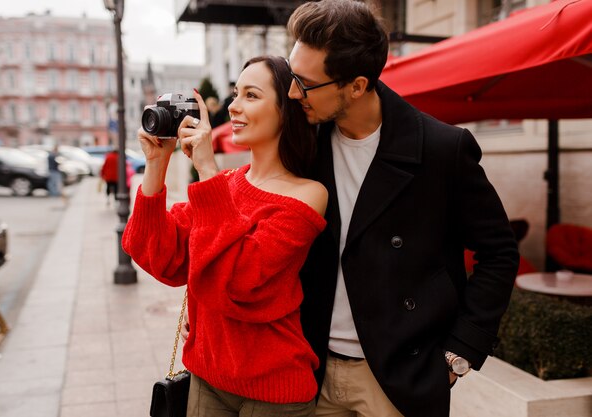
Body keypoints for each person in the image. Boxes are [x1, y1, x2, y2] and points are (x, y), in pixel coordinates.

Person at [284, 1, 520, 416]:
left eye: (304, 83)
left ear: (356, 86)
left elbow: (499, 252)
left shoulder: (441, 149)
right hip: (310, 368)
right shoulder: (303, 142)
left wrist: (458, 353)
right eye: (291, 76)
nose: (291, 93)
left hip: (397, 379)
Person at [122, 56, 328, 416]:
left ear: (286, 110)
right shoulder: (226, 184)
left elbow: (242, 279)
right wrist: (156, 164)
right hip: (207, 376)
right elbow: (161, 256)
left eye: (251, 95)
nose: (233, 106)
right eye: (235, 93)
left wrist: (206, 167)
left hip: (274, 390)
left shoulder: (308, 194)